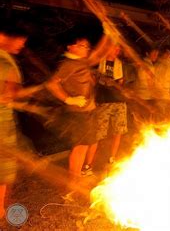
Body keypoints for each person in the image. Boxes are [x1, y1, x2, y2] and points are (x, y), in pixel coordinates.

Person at [45, 32, 112, 181]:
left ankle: (78, 176)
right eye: (82, 46)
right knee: (80, 147)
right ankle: (73, 182)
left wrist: (108, 35)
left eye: (87, 46)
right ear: (70, 47)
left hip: (89, 110)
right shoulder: (67, 64)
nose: (86, 49)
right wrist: (68, 99)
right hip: (78, 112)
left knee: (87, 144)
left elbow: (98, 55)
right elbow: (51, 83)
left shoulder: (81, 62)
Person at [82, 45, 128, 175]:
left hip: (118, 102)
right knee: (98, 134)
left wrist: (115, 85)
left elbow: (121, 83)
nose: (116, 51)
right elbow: (92, 80)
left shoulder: (120, 65)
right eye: (114, 48)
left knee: (118, 132)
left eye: (118, 49)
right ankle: (87, 165)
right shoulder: (98, 62)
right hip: (103, 102)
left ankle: (111, 160)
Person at [0, 25, 29, 218]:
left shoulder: (6, 60)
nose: (22, 44)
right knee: (3, 165)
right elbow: (8, 95)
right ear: (2, 36)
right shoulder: (4, 62)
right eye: (19, 39)